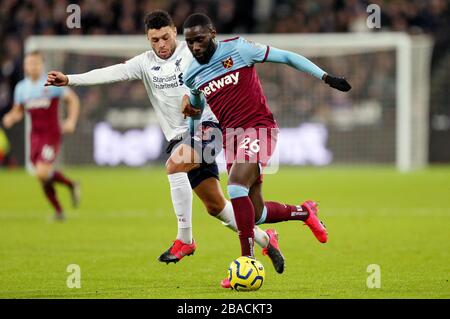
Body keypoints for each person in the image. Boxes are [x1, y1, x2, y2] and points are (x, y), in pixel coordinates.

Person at [45, 10, 285, 272]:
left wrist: (196, 100)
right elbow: (111, 72)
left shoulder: (193, 51)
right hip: (178, 137)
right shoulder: (145, 63)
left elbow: (214, 78)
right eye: (154, 40)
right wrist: (70, 79)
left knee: (174, 165)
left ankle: (185, 240)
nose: (161, 45)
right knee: (216, 207)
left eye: (165, 37)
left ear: (175, 32)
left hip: (208, 126)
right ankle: (266, 239)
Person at [181, 13, 351, 288]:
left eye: (199, 39)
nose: (195, 47)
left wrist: (325, 77)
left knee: (235, 188)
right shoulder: (191, 73)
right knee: (255, 213)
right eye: (189, 42)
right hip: (231, 138)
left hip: (260, 128)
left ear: (212, 33)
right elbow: (195, 107)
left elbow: (286, 56)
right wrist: (190, 135)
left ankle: (245, 262)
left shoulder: (238, 48)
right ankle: (305, 212)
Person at [3, 51, 81, 221]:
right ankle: (69, 191)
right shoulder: (21, 88)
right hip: (35, 136)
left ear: (41, 65)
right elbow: (18, 111)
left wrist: (71, 120)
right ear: (25, 66)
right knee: (42, 176)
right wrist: (10, 117)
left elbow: (73, 100)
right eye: (29, 64)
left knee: (41, 172)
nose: (32, 67)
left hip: (51, 134)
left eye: (35, 63)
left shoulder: (52, 83)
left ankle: (61, 206)